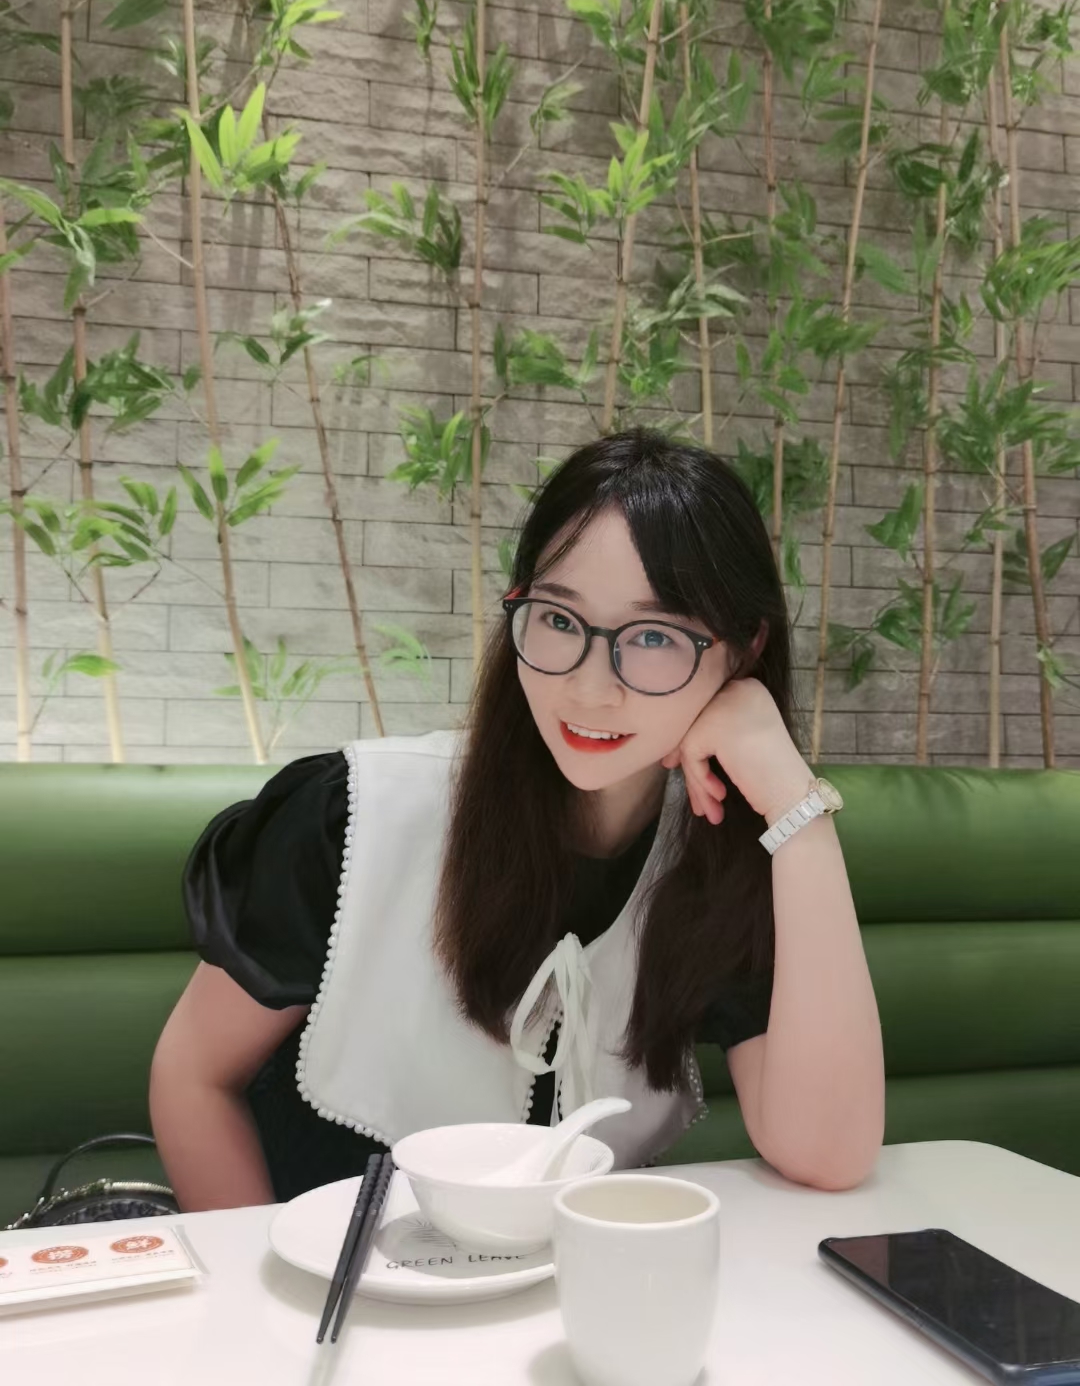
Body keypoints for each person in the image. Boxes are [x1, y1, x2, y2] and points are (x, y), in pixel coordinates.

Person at [150, 429, 884, 1212]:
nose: (590, 689)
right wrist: (266, 1279)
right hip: (333, 1268)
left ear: (743, 650)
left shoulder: (716, 856)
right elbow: (194, 1077)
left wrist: (796, 806)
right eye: (559, 620)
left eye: (654, 636)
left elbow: (827, 1153)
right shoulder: (354, 816)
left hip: (574, 1280)